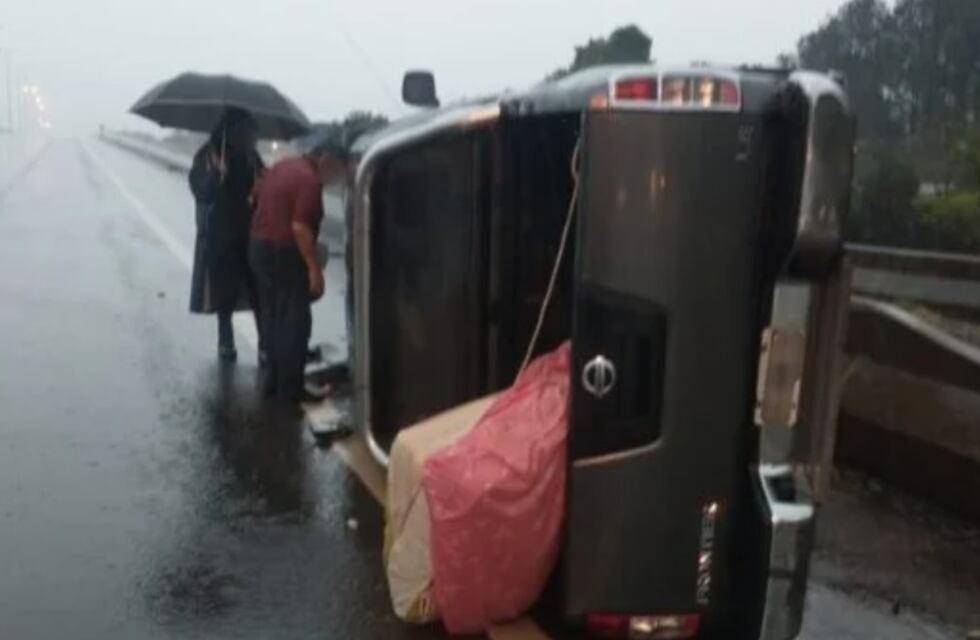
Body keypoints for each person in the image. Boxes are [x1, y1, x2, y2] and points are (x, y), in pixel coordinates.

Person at [250, 131, 348, 404]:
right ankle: (291, 391)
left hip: (258, 247)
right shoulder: (309, 181)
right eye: (338, 170)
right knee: (295, 322)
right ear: (326, 160)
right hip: (283, 251)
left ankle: (272, 383)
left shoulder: (282, 166)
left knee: (271, 317)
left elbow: (257, 195)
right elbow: (300, 227)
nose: (335, 179)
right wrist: (313, 269)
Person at [188, 109, 265, 363]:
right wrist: (214, 176)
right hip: (219, 235)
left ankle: (265, 344)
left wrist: (259, 189)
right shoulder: (208, 155)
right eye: (247, 132)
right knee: (224, 293)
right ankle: (226, 341)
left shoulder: (251, 157)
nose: (251, 138)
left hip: (250, 233)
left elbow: (265, 183)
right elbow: (201, 192)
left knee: (258, 291)